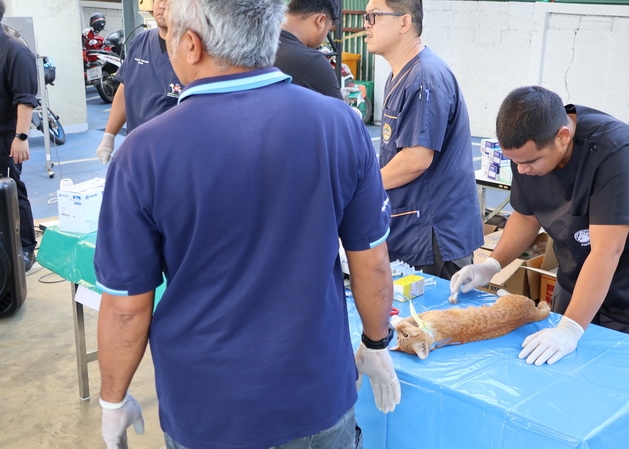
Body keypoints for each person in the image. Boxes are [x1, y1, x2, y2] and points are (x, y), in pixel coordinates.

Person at [93, 0, 400, 448]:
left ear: (192, 45)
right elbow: (371, 260)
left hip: (208, 409)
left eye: (170, 37)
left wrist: (113, 400)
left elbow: (126, 307)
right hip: (315, 395)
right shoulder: (340, 125)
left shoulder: (143, 153)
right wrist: (375, 344)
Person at [450, 85, 629, 366]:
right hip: (578, 267)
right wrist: (492, 265)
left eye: (530, 162)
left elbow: (607, 250)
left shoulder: (617, 151)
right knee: (560, 366)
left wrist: (571, 328)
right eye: (514, 162)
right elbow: (527, 216)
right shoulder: (528, 149)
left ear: (563, 136)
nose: (522, 170)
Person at [364, 0, 483, 280]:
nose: (366, 25)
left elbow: (415, 160)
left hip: (433, 235)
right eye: (366, 16)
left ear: (404, 23)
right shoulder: (401, 74)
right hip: (413, 227)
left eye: (374, 16)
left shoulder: (423, 78)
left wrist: (362, 187)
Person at [95, 0, 183, 164]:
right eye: (158, 0)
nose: (162, 5)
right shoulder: (140, 42)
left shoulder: (193, 49)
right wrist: (109, 136)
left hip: (176, 153)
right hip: (138, 149)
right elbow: (125, 88)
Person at [0, 0, 39, 271]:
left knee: (12, 190)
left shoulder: (15, 51)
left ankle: (25, 249)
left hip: (6, 137)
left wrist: (21, 137)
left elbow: (25, 99)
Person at [274, 0, 342, 99]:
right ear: (321, 20)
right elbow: (339, 108)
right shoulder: (313, 62)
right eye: (328, 30)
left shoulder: (258, 46)